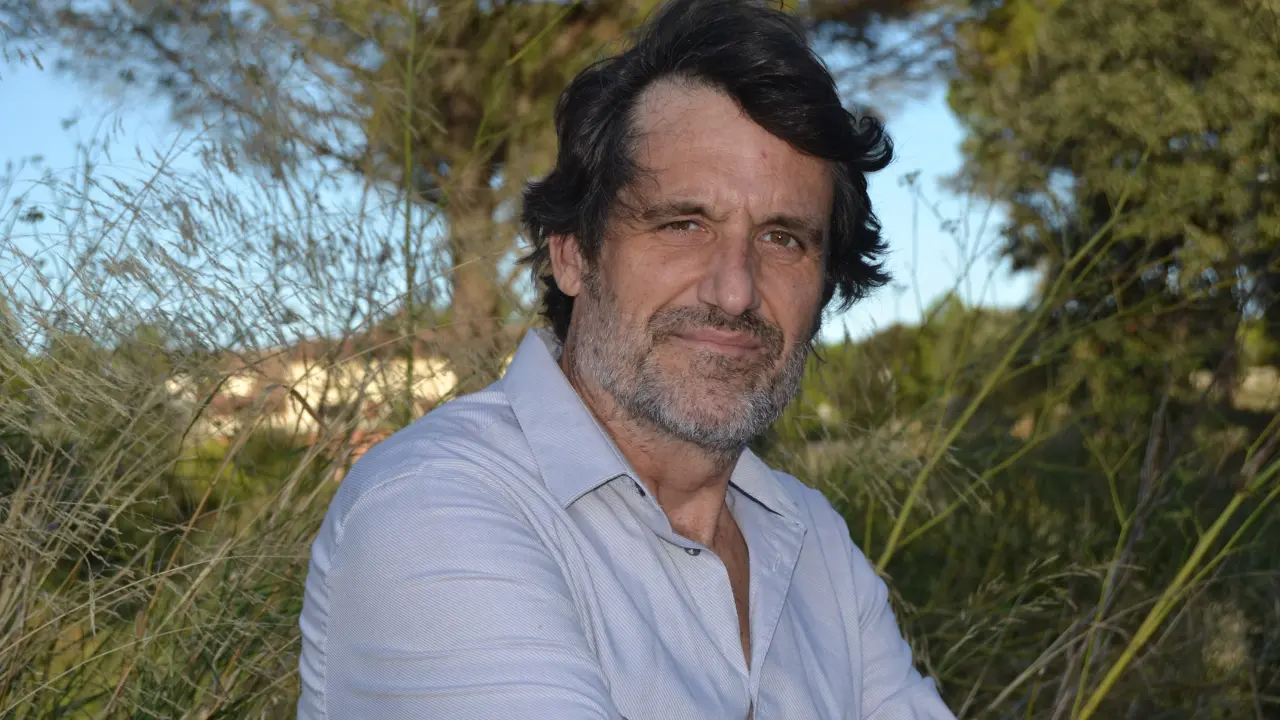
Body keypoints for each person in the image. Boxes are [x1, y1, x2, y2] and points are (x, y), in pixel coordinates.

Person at [297, 0, 957, 717]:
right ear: (572, 253)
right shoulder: (432, 508)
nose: (735, 291)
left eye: (782, 239)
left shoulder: (815, 540)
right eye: (684, 224)